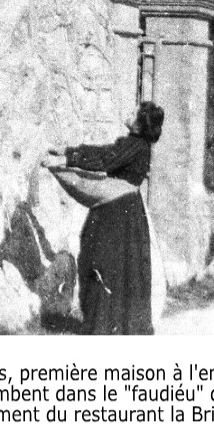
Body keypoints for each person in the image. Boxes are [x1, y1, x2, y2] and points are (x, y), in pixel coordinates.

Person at [43, 101, 165, 335]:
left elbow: (105, 159)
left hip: (118, 213)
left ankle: (106, 326)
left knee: (105, 263)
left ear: (140, 124)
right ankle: (116, 326)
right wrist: (67, 152)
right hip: (122, 211)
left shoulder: (135, 145)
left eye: (134, 112)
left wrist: (65, 160)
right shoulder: (135, 145)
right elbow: (104, 153)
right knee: (116, 266)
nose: (128, 113)